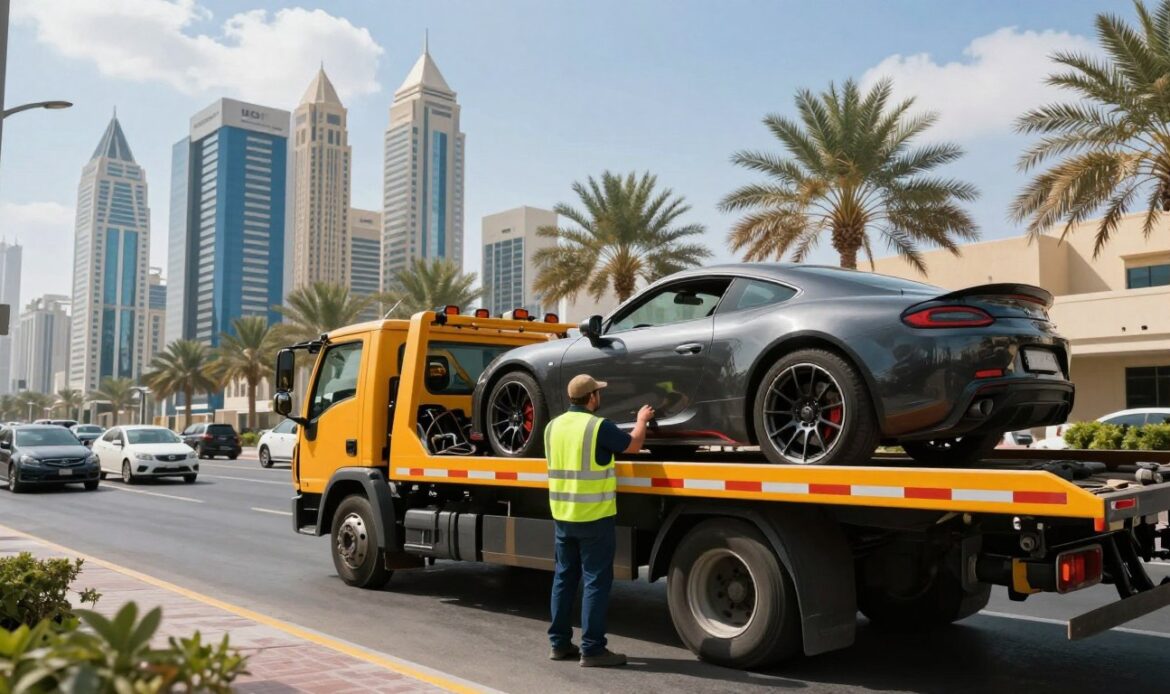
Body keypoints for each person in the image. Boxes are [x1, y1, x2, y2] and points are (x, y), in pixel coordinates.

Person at [545, 374, 654, 668]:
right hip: (594, 517)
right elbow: (633, 445)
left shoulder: (552, 427)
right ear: (592, 397)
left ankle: (559, 644)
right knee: (595, 581)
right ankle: (592, 649)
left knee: (564, 578)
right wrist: (642, 420)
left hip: (563, 516)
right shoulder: (597, 426)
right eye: (598, 393)